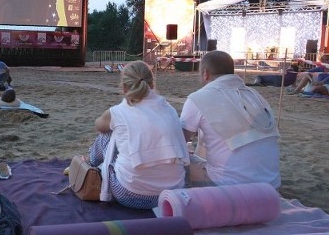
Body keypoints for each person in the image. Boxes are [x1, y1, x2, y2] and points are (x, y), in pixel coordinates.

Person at [88, 61, 189, 210]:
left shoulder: (117, 112)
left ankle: (91, 161)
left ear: (124, 87)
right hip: (173, 193)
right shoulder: (169, 109)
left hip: (131, 194)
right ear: (152, 85)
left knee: (108, 134)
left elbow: (98, 125)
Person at [181, 50, 281, 189]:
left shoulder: (198, 98)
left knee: (174, 162)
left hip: (227, 185)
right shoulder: (254, 95)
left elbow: (178, 143)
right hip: (271, 183)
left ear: (205, 73)